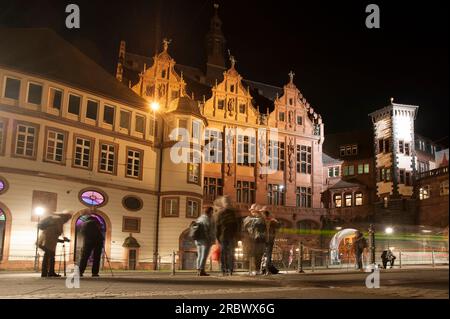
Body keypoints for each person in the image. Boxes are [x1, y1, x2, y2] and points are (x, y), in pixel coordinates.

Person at [37, 211, 73, 278]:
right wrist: (64, 238)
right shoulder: (59, 220)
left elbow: (55, 233)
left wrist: (61, 240)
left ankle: (45, 273)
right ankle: (50, 272)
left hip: (46, 239)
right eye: (68, 218)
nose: (68, 220)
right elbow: (58, 231)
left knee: (47, 256)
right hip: (49, 240)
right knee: (50, 256)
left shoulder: (56, 218)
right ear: (66, 217)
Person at [215, 196, 239, 276]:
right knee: (228, 253)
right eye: (226, 202)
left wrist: (217, 237)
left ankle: (226, 269)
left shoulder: (222, 213)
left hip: (226, 236)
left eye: (227, 202)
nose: (227, 203)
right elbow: (236, 225)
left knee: (226, 253)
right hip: (227, 236)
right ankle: (228, 269)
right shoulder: (231, 213)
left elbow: (218, 226)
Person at [243, 204, 266, 275]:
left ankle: (255, 270)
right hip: (253, 240)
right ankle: (253, 270)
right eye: (252, 211)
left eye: (253, 211)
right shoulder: (250, 219)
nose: (252, 212)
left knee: (257, 255)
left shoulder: (261, 219)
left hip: (258, 239)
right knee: (254, 255)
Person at [194, 206, 215, 276]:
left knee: (199, 255)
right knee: (204, 255)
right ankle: (201, 270)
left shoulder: (199, 218)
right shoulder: (207, 219)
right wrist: (211, 239)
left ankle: (198, 269)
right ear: (210, 212)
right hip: (204, 240)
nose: (213, 213)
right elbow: (209, 231)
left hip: (197, 239)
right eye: (212, 212)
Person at [261, 208, 280, 274]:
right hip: (270, 240)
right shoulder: (273, 221)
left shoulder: (262, 221)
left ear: (264, 215)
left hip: (263, 240)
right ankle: (267, 269)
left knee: (263, 255)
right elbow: (278, 227)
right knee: (268, 255)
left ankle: (263, 269)